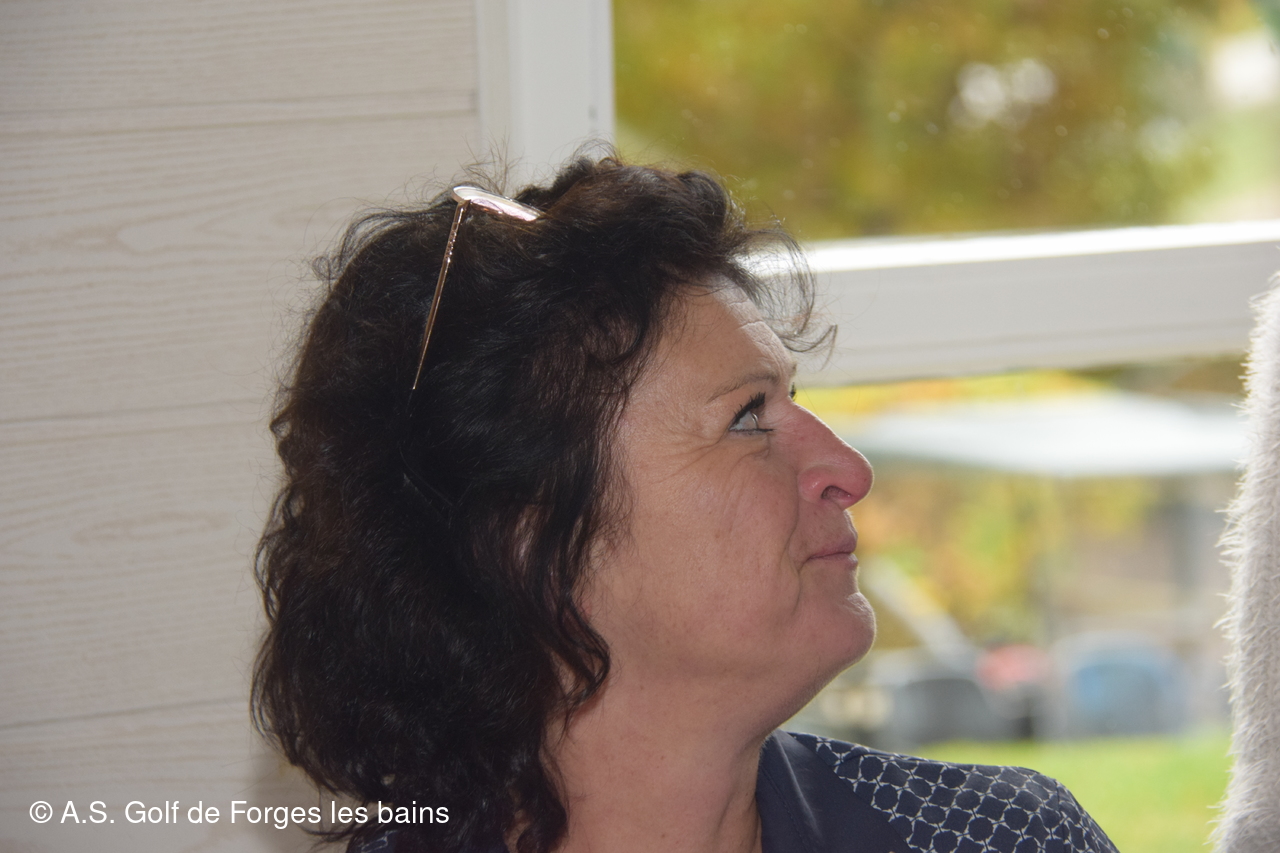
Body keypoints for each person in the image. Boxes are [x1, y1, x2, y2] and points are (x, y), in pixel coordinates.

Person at [253, 155, 1117, 853]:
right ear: (522, 534)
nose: (848, 470)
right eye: (747, 417)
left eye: (790, 400)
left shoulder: (1000, 839)